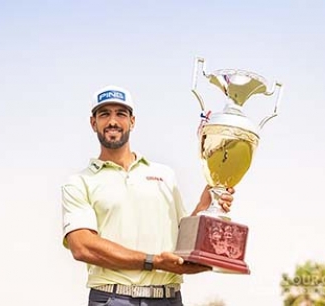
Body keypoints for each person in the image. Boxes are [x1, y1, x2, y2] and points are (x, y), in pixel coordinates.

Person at [61, 85, 235, 306]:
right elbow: (82, 245)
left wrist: (204, 207)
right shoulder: (79, 182)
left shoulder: (165, 174)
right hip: (113, 299)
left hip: (169, 299)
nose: (112, 121)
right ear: (93, 122)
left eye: (121, 114)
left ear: (132, 121)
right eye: (104, 114)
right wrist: (154, 262)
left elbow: (183, 236)